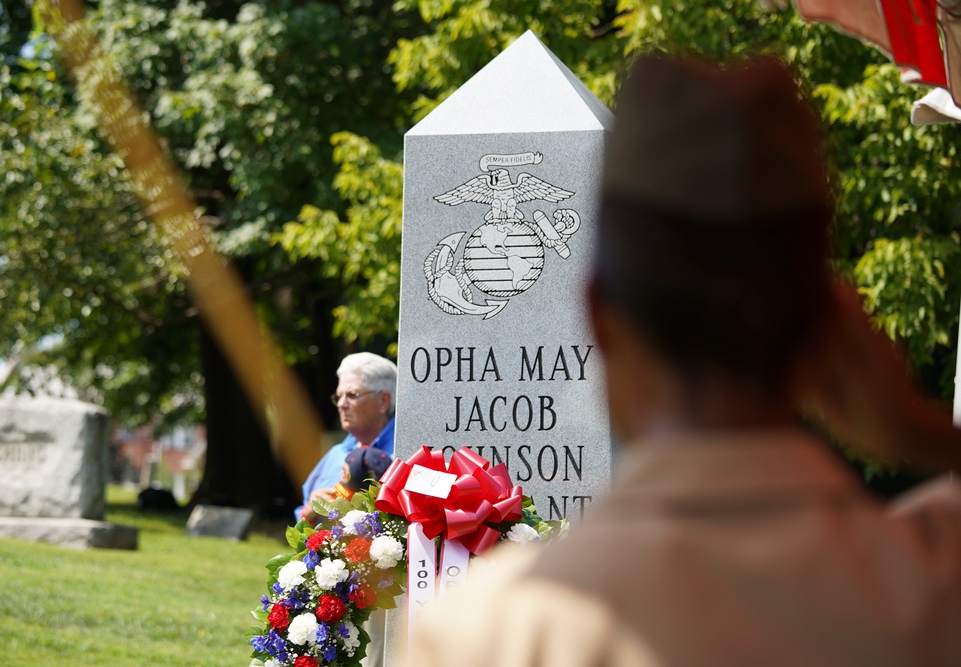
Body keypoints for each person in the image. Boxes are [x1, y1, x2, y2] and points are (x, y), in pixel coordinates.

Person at [404, 53, 961, 666]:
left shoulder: (490, 630)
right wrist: (919, 430)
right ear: (833, 322)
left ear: (597, 316)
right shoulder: (934, 578)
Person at [295, 352, 397, 524]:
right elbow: (301, 524)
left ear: (383, 401)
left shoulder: (404, 454)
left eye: (352, 395)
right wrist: (309, 513)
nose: (342, 404)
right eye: (339, 396)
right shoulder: (335, 454)